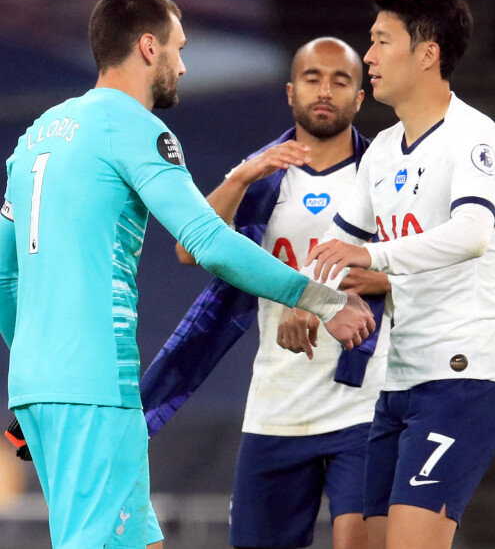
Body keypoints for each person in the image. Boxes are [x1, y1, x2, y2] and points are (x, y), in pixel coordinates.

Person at [0, 0, 375, 549]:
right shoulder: (133, 127)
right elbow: (208, 242)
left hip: (40, 383)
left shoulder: (35, 137)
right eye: (178, 48)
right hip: (93, 383)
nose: (183, 64)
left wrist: (42, 369)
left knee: (138, 542)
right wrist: (321, 299)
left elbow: (6, 277)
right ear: (148, 48)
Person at [278, 0, 495, 549]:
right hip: (398, 385)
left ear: (427, 52)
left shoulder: (475, 135)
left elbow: (472, 233)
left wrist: (372, 255)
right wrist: (308, 301)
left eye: (382, 41)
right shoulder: (383, 150)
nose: (369, 57)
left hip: (463, 380)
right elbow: (334, 248)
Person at [141, 37, 391, 549]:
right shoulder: (263, 177)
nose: (325, 90)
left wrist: (317, 297)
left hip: (362, 403)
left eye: (340, 80)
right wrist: (241, 176)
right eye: (312, 78)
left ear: (359, 98)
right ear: (290, 91)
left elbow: (411, 267)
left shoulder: (384, 175)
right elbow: (191, 250)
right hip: (277, 408)